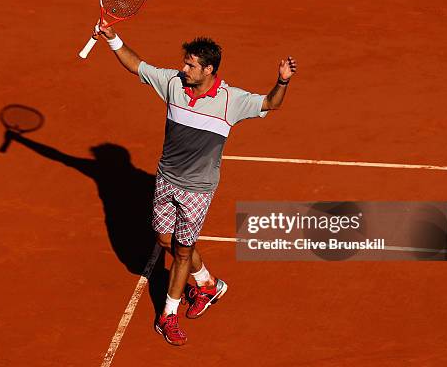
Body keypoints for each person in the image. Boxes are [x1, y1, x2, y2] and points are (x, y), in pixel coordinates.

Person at [95, 22, 297, 346]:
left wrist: (281, 81)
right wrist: (112, 38)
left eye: (190, 65)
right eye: (184, 62)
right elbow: (138, 66)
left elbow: (271, 103)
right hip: (166, 179)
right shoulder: (174, 84)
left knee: (182, 252)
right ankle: (207, 284)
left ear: (208, 69)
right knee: (165, 241)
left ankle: (167, 316)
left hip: (198, 189)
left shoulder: (231, 101)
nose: (183, 68)